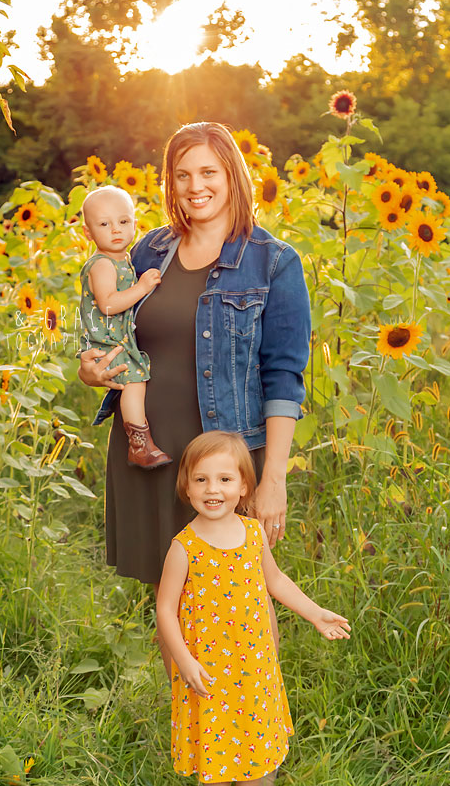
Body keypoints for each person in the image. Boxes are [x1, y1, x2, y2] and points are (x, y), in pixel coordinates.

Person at [77, 121, 311, 619]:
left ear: (232, 173)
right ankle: (188, 701)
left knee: (240, 594)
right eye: (182, 175)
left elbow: (284, 377)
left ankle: (256, 700)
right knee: (170, 598)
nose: (194, 186)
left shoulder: (273, 263)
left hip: (224, 459)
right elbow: (106, 328)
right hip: (149, 450)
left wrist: (272, 480)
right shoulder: (146, 252)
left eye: (208, 171)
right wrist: (92, 370)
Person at [156, 431, 351, 786]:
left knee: (252, 724)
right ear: (187, 487)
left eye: (225, 479)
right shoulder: (184, 547)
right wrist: (184, 662)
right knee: (215, 727)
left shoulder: (252, 533)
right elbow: (164, 611)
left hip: (252, 660)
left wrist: (315, 613)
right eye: (201, 479)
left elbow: (276, 582)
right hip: (207, 664)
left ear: (244, 486)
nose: (213, 489)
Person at [79, 186, 171, 468]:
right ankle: (139, 443)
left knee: (135, 379)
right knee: (134, 380)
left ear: (135, 224)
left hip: (116, 336)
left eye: (123, 221)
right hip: (106, 341)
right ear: (88, 233)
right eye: (104, 224)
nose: (116, 230)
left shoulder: (123, 259)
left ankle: (140, 440)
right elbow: (107, 304)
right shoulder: (103, 264)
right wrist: (142, 287)